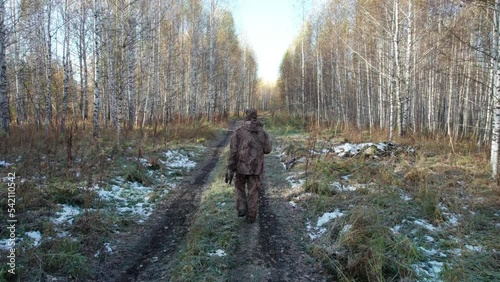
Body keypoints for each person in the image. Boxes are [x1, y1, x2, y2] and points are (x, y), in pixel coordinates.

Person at [226, 109, 272, 223]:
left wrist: (231, 167)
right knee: (253, 190)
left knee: (239, 187)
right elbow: (268, 149)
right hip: (256, 168)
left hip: (241, 166)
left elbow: (233, 151)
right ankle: (251, 215)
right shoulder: (262, 132)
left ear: (246, 117)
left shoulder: (239, 131)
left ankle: (242, 207)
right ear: (256, 117)